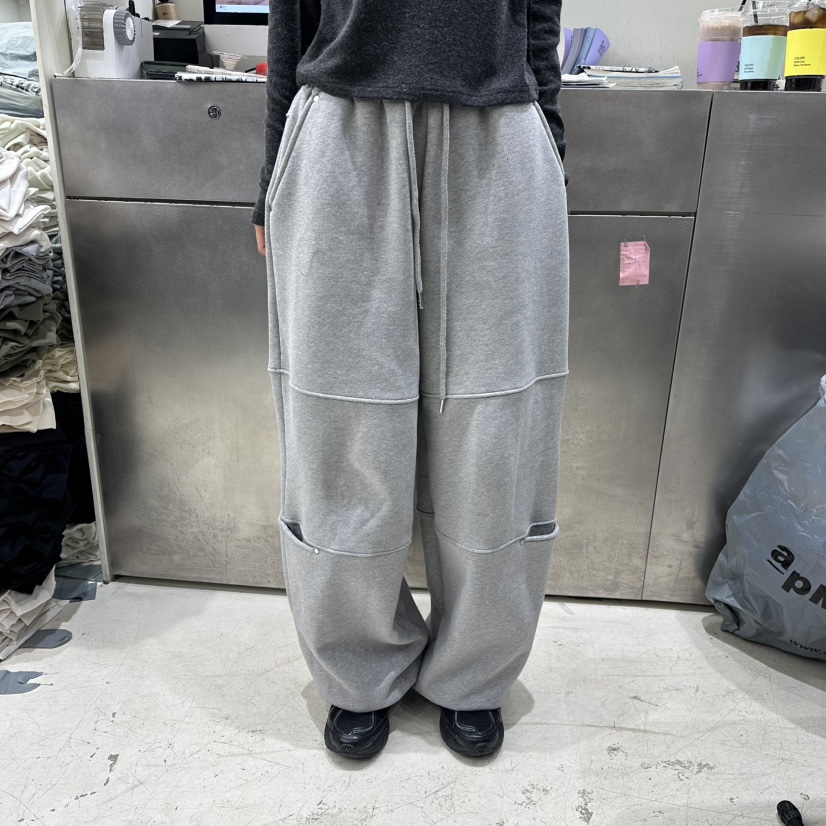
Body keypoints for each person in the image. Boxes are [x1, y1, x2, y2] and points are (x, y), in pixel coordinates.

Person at [251, 0, 569, 760]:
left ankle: (475, 673)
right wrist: (270, 180)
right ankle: (357, 668)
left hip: (499, 132)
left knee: (495, 425)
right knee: (340, 419)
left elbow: (539, 20)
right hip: (341, 131)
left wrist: (553, 154)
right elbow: (291, 24)